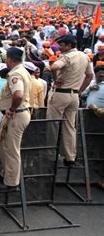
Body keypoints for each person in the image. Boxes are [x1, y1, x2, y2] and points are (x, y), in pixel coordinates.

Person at [46, 35, 93, 166]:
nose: (60, 47)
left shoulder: (66, 56)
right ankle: (70, 157)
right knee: (70, 127)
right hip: (74, 96)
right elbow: (90, 76)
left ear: (69, 46)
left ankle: (51, 155)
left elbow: (54, 67)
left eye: (62, 45)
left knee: (53, 125)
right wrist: (80, 90)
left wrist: (55, 80)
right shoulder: (84, 56)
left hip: (61, 94)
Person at [0, 47, 32, 190]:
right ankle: (6, 174)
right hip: (15, 114)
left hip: (16, 114)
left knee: (11, 150)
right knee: (4, 146)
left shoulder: (16, 73)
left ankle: (11, 183)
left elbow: (18, 95)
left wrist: (11, 109)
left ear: (10, 59)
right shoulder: (22, 71)